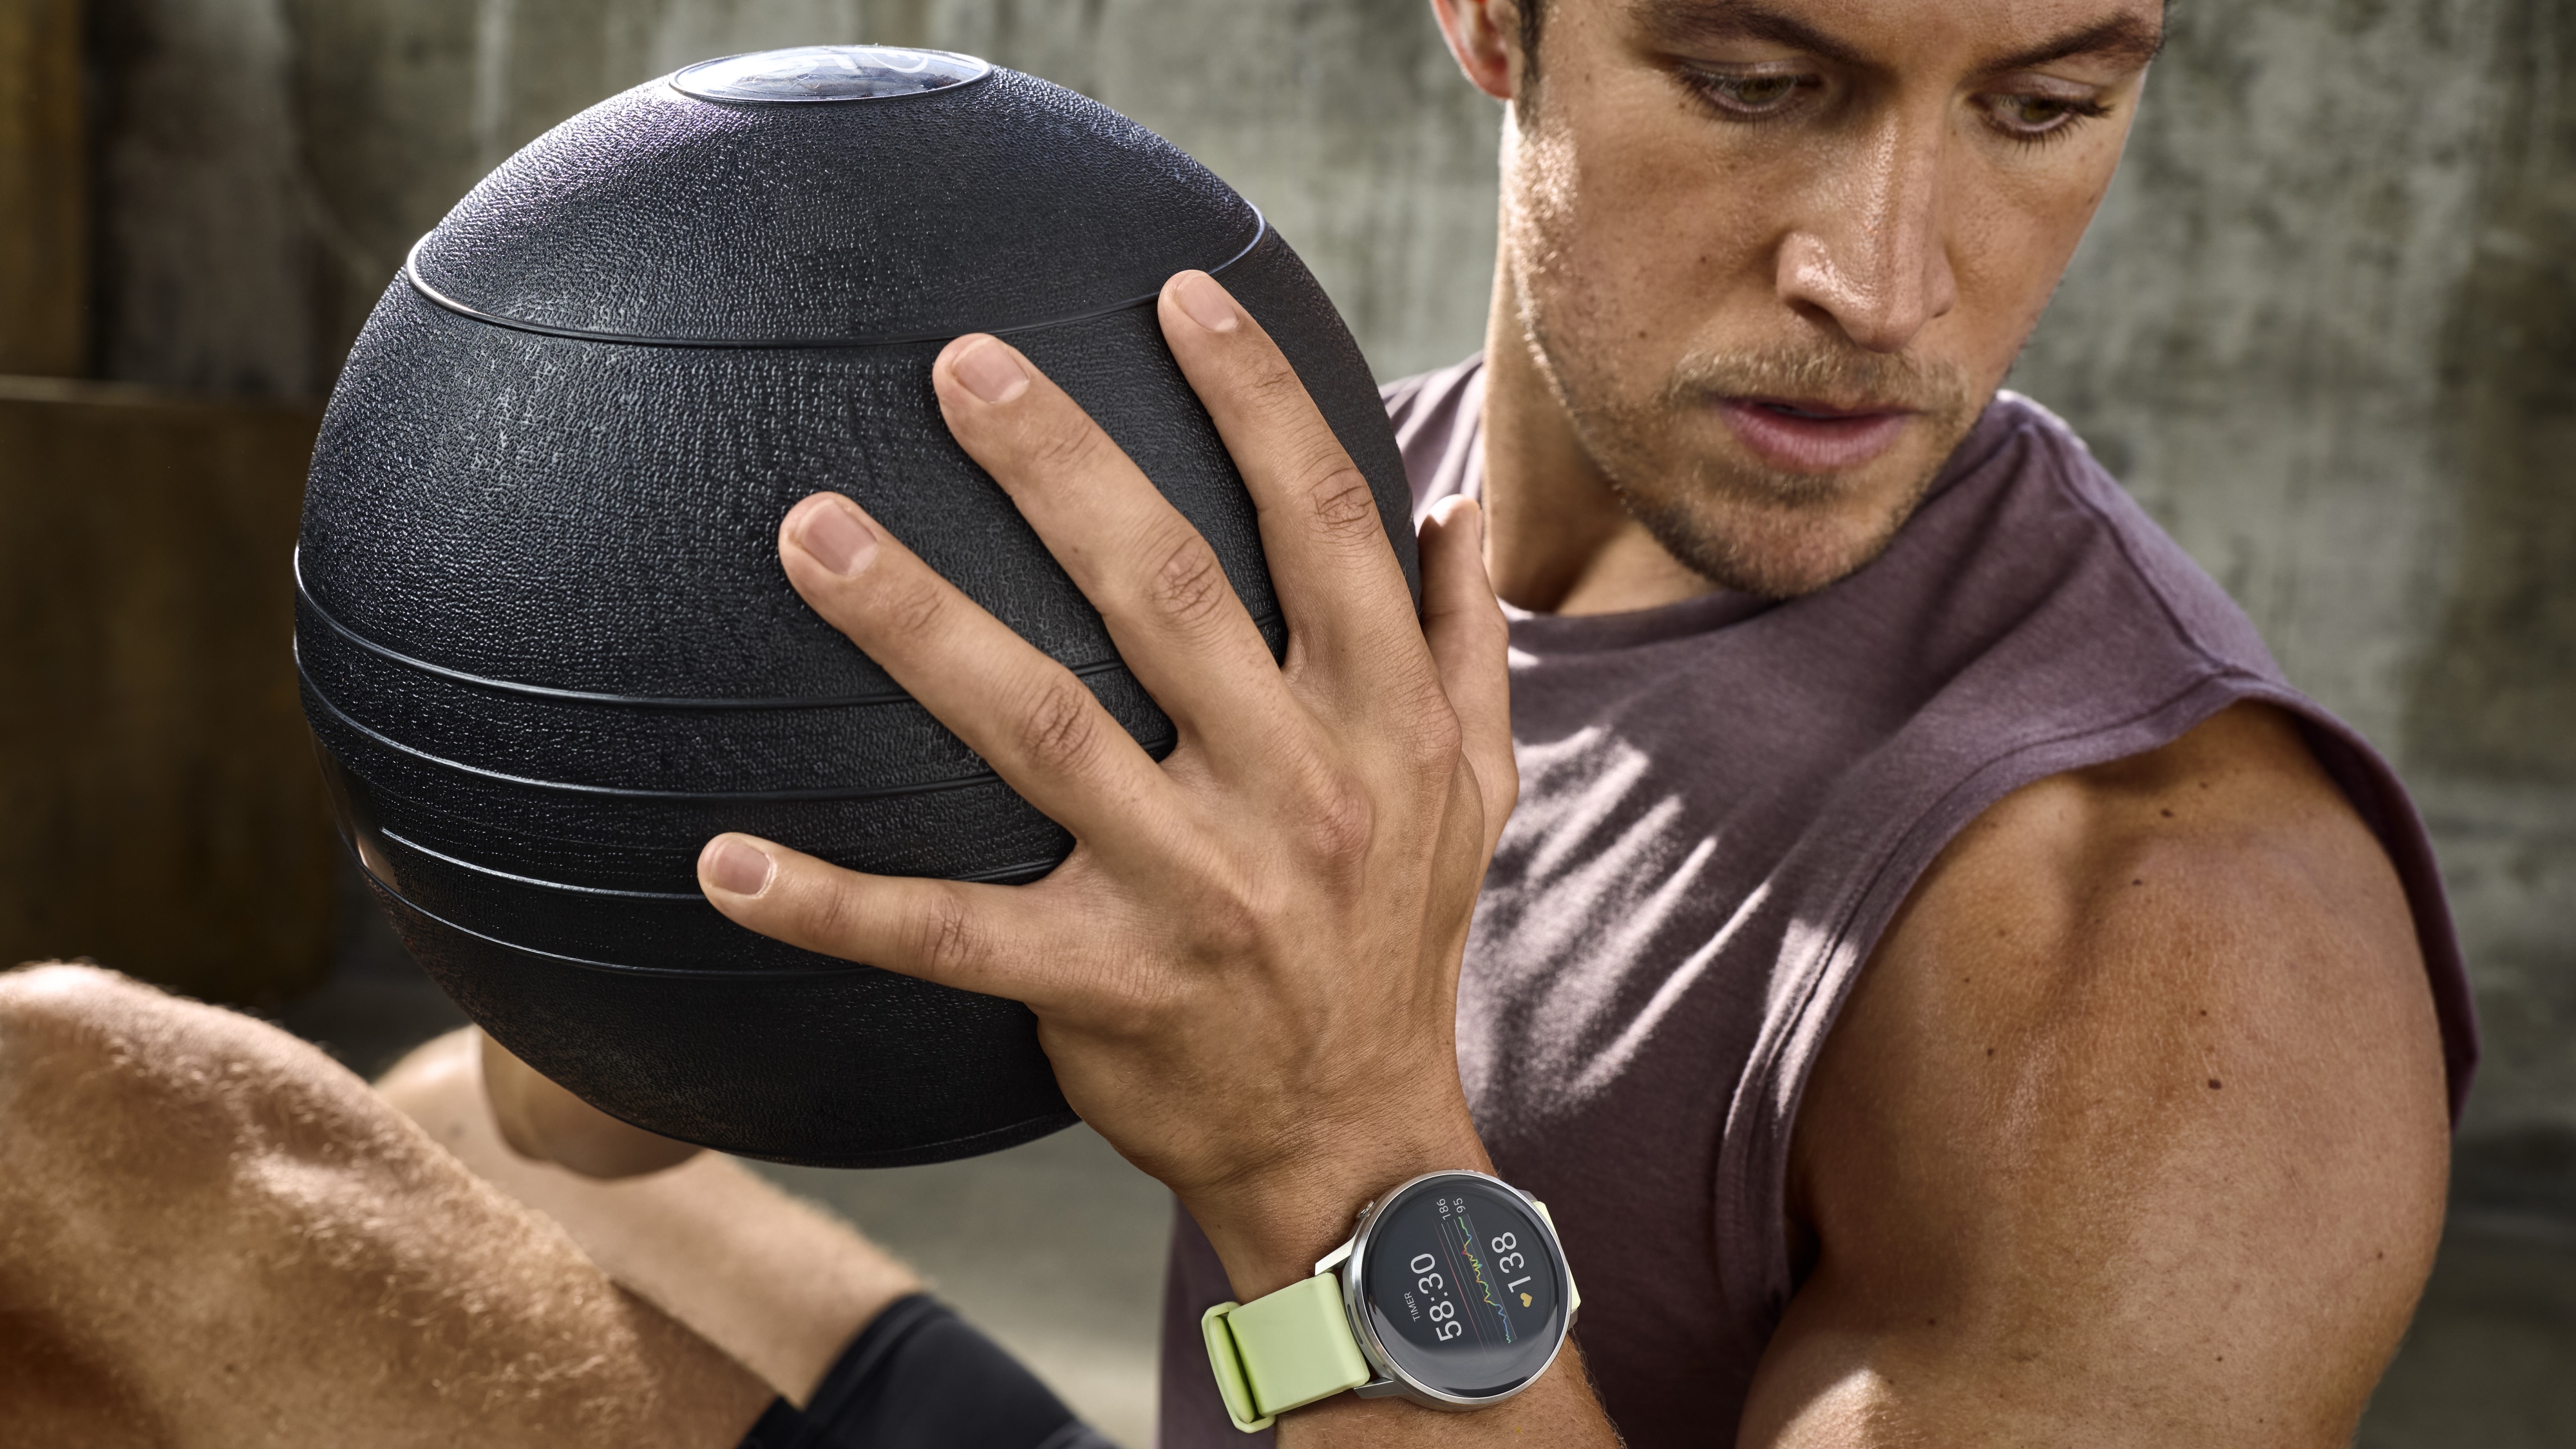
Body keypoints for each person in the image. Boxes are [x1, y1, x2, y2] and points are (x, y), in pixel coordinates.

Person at [0, 0, 2474, 1446]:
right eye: (1754, 75)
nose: (1885, 276)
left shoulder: (2182, 946)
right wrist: (641, 834)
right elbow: (579, 1118)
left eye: (2046, 104)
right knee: (238, 1110)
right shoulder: (1284, 539)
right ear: (1491, 15)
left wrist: (1333, 1148)